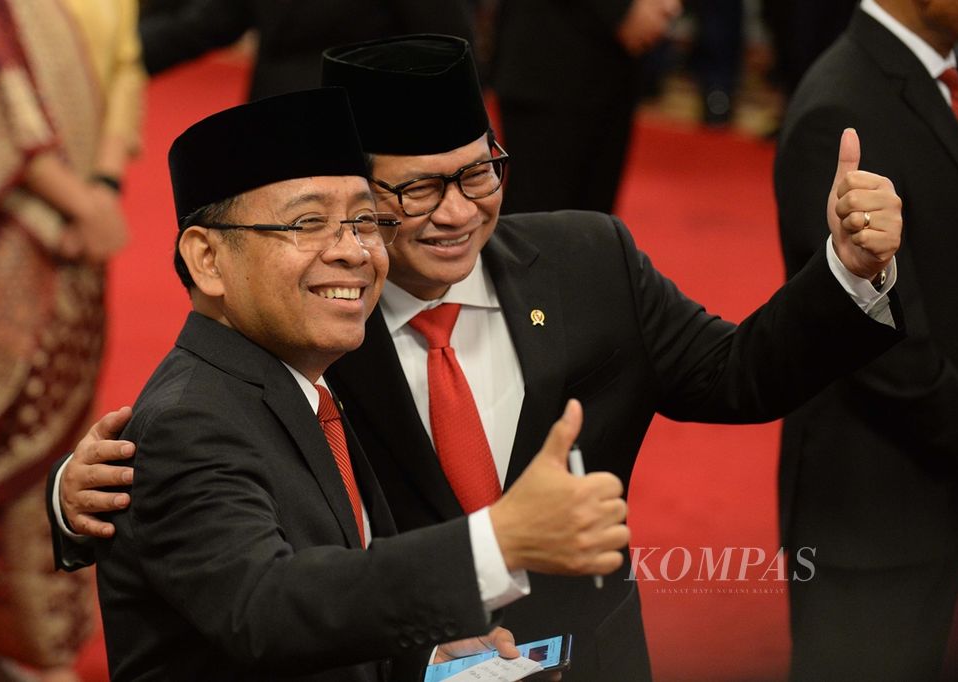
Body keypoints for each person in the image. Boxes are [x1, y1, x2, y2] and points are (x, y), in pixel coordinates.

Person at [52, 34, 907, 682]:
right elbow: (220, 494)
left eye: (479, 175)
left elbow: (740, 373)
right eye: (414, 190)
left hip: (593, 657)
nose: (455, 212)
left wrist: (847, 274)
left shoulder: (587, 264)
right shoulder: (316, 326)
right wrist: (75, 500)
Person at [93, 86, 630, 681]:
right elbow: (267, 606)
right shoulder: (189, 421)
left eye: (364, 221)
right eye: (308, 223)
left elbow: (329, 598)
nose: (354, 252)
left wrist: (424, 657)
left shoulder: (305, 380)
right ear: (208, 261)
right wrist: (496, 541)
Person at [773, 1, 958, 679]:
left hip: (938, 477)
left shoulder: (956, 74)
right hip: (871, 506)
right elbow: (874, 334)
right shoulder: (838, 110)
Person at [0, 0, 142, 677]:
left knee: (59, 443)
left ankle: (37, 644)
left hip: (74, 251)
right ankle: (1, 645)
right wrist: (84, 201)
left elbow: (127, 72)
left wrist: (103, 186)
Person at [491, 0, 681, 213]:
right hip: (550, 58)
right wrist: (623, 9)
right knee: (538, 217)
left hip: (615, 66)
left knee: (595, 221)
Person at [139, 0, 475, 100]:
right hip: (272, 131)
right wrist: (117, 57)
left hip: (363, 140)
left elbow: (444, 45)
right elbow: (212, 21)